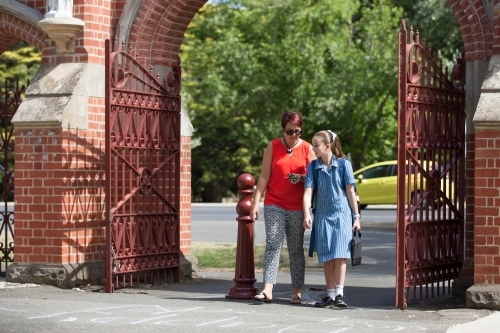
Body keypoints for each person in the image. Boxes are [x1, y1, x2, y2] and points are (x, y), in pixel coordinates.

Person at [251, 111, 316, 304]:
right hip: (274, 202)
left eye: (298, 131)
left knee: (295, 249)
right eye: (290, 131)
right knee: (273, 244)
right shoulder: (273, 146)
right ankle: (267, 289)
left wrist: (302, 178)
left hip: (297, 205)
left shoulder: (307, 149)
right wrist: (255, 202)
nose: (294, 135)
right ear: (283, 129)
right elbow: (264, 176)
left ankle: (297, 290)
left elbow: (315, 178)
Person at [303, 130, 361, 309]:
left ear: (327, 146)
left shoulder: (344, 165)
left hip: (342, 215)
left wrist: (356, 217)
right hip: (322, 216)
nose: (313, 148)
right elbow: (307, 192)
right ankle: (329, 296)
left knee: (341, 254)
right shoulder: (313, 167)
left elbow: (351, 192)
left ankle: (339, 294)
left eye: (316, 145)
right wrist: (307, 214)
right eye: (313, 145)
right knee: (327, 255)